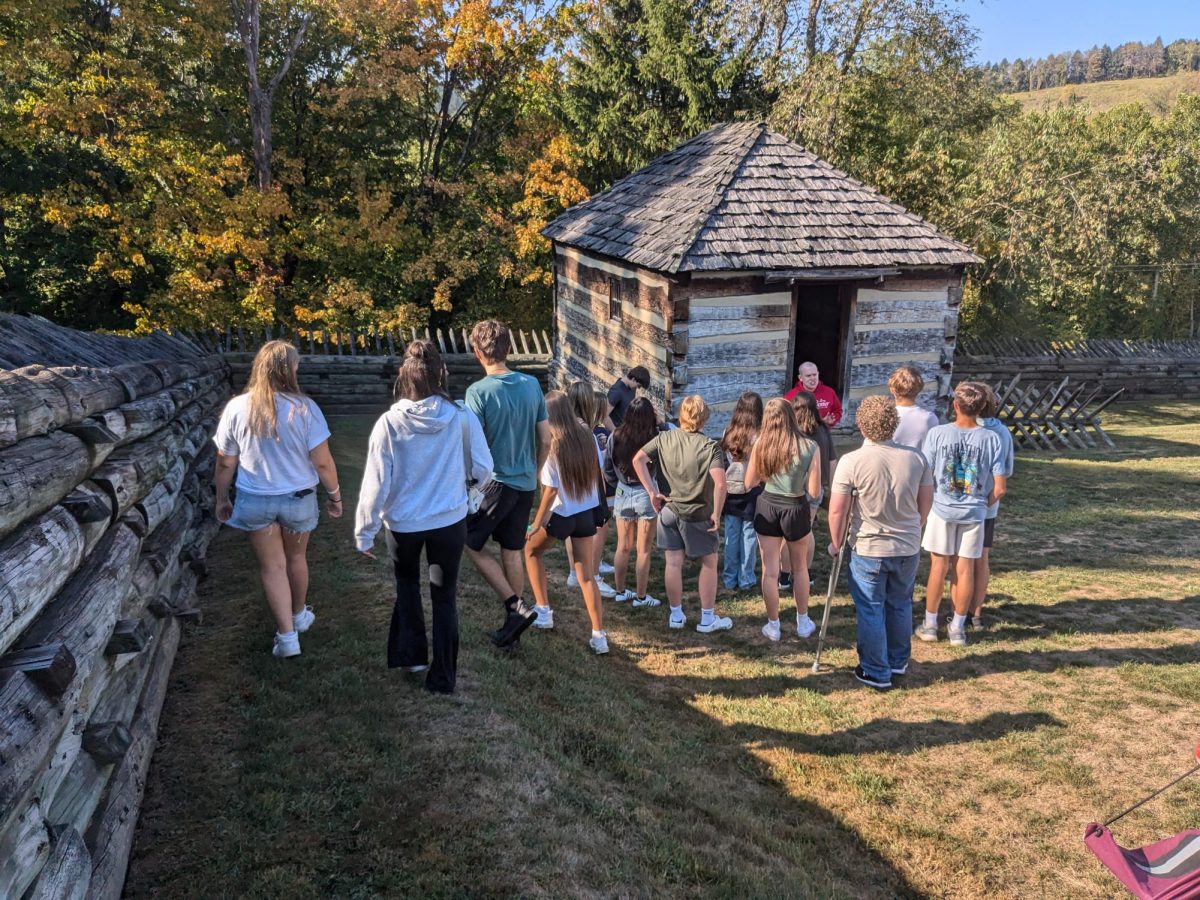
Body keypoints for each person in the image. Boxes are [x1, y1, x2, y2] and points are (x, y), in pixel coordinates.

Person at [354, 341, 493, 693]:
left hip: (403, 523)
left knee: (407, 585)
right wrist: (467, 490)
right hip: (448, 520)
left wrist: (365, 531)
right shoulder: (461, 417)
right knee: (444, 598)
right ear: (441, 374)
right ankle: (444, 676)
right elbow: (484, 468)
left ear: (405, 377)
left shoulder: (389, 424)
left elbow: (375, 482)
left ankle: (411, 655)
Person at [213, 340, 342, 659]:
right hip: (298, 498)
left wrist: (221, 498)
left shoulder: (237, 408)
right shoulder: (305, 409)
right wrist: (335, 495)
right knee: (296, 559)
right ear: (290, 369)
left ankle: (287, 638)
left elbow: (225, 461)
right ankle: (298, 614)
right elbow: (322, 461)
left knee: (272, 567)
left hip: (256, 499)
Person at [827, 396, 933, 690]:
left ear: (861, 425)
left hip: (868, 547)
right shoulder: (916, 458)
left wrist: (835, 542)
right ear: (893, 424)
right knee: (900, 602)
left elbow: (837, 509)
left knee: (871, 607)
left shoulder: (852, 462)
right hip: (906, 546)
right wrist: (914, 527)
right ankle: (897, 660)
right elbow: (925, 502)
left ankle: (876, 669)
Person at [463, 320, 551, 648]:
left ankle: (515, 607)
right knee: (512, 549)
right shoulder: (531, 385)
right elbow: (546, 439)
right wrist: (536, 470)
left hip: (495, 484)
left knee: (469, 541)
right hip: (525, 483)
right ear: (509, 349)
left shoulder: (477, 393)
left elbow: (471, 443)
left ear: (476, 353)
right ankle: (513, 626)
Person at [916, 381, 1008, 648]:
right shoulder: (993, 438)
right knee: (965, 569)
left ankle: (930, 623)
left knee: (938, 566)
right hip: (974, 511)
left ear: (955, 406)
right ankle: (957, 627)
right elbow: (1000, 487)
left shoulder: (938, 434)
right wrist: (982, 503)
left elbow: (925, 475)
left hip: (942, 507)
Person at [632, 395, 732, 633]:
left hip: (669, 510)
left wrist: (652, 492)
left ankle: (676, 615)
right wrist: (717, 513)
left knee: (673, 563)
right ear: (704, 418)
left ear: (682, 415)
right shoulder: (710, 446)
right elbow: (720, 484)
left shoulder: (664, 438)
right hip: (697, 513)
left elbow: (638, 460)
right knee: (709, 562)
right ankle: (707, 618)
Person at [524, 391, 609, 654]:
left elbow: (550, 490)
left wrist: (536, 523)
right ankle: (598, 635)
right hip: (586, 512)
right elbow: (599, 471)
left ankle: (544, 610)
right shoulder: (586, 436)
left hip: (561, 513)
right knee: (586, 576)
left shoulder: (552, 444)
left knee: (531, 552)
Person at [745, 398, 823, 641]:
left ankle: (773, 625)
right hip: (795, 506)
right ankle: (802, 622)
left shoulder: (760, 445)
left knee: (770, 571)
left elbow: (749, 483)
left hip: (768, 504)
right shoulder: (809, 446)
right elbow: (814, 491)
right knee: (800, 569)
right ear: (791, 416)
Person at [604, 397, 661, 607]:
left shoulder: (616, 435)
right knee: (643, 549)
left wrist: (615, 482)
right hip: (646, 492)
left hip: (623, 490)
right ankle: (641, 596)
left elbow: (608, 466)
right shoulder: (654, 436)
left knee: (623, 546)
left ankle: (620, 591)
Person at [564, 382, 616, 597]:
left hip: (568, 486)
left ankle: (573, 572)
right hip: (587, 489)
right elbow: (599, 465)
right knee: (596, 531)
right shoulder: (586, 431)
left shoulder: (563, 425)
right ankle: (592, 574)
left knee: (571, 530)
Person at [970, 383, 1015, 630]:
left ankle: (959, 611)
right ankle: (975, 612)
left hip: (967, 505)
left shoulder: (966, 429)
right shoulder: (1003, 432)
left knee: (961, 561)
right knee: (981, 558)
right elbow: (1005, 472)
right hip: (988, 504)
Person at [790, 390, 835, 585]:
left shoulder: (793, 432)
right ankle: (804, 573)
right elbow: (832, 459)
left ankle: (787, 573)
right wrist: (831, 485)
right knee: (807, 530)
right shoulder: (823, 430)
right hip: (818, 486)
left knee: (789, 533)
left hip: (794, 487)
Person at [720, 391, 763, 590]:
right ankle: (746, 578)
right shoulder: (759, 436)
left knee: (731, 534)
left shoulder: (728, 432)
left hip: (731, 489)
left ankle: (729, 578)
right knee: (748, 535)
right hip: (752, 489)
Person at [889, 365, 939, 450]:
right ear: (919, 389)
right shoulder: (930, 419)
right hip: (920, 462)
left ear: (892, 390)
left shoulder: (887, 418)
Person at [784, 361, 842, 428]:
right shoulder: (790, 396)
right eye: (808, 376)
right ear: (800, 378)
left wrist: (832, 419)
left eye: (814, 375)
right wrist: (821, 422)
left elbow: (837, 410)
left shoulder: (829, 392)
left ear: (818, 374)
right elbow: (786, 417)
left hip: (823, 435)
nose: (812, 378)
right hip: (800, 435)